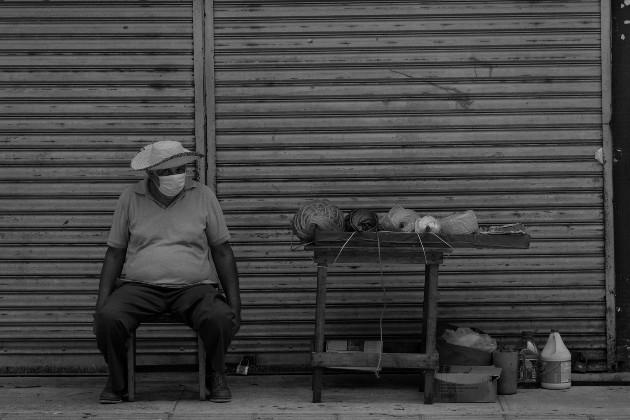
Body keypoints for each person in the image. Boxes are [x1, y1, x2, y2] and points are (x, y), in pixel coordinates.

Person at [93, 140, 241, 404]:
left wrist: (235, 303)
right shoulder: (130, 198)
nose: (176, 176)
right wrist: (100, 303)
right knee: (108, 318)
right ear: (151, 173)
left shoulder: (203, 195)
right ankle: (118, 380)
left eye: (181, 169)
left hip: (195, 289)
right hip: (140, 287)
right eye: (167, 172)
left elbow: (222, 250)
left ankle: (215, 373)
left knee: (220, 317)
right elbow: (115, 252)